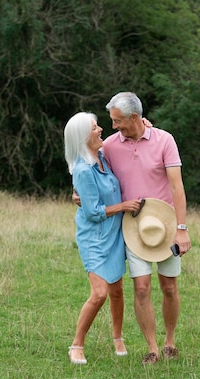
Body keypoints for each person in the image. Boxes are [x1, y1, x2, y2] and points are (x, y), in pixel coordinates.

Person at [75, 92, 191, 364]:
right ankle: (151, 348)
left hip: (165, 225)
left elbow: (177, 186)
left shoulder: (165, 140)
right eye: (111, 121)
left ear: (136, 118)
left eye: (117, 121)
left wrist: (182, 228)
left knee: (170, 287)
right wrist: (76, 191)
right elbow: (87, 165)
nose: (113, 126)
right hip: (133, 229)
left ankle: (169, 341)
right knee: (141, 287)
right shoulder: (111, 146)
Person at [64, 112, 142, 365]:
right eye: (95, 127)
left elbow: (126, 133)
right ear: (82, 137)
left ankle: (118, 337)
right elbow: (93, 213)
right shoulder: (84, 170)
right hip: (94, 238)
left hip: (114, 236)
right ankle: (76, 345)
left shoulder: (101, 157)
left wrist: (145, 123)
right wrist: (122, 206)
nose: (101, 130)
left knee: (117, 290)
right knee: (99, 294)